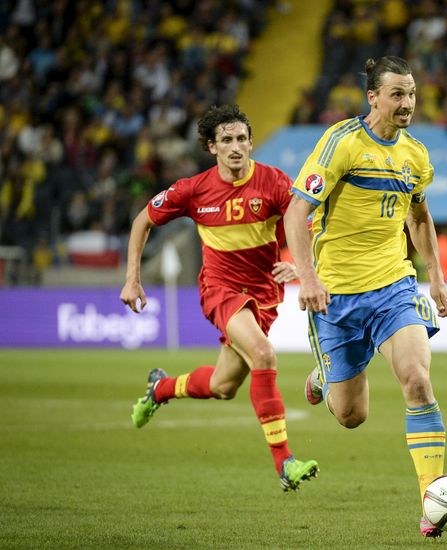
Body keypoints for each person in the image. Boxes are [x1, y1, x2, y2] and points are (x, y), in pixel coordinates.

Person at [283, 56, 447, 538]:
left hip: (394, 286)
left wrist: (435, 277)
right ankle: (325, 375)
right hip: (335, 297)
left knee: (417, 381)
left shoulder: (416, 157)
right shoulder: (341, 143)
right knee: (351, 416)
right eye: (397, 94)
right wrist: (309, 279)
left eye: (412, 93)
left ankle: (432, 503)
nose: (407, 103)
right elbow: (297, 214)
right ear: (372, 97)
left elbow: (418, 217)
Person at [120, 104, 318, 491]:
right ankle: (285, 463)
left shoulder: (275, 182)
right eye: (226, 140)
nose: (236, 147)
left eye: (242, 139)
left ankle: (160, 388)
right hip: (221, 290)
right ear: (212, 147)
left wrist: (297, 265)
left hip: (263, 296)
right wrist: (133, 279)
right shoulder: (193, 190)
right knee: (263, 355)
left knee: (223, 387)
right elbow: (141, 220)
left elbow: (307, 224)